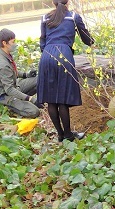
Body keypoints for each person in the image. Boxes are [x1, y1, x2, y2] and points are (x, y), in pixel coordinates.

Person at [37, 0, 94, 142]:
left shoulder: (45, 18)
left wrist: (49, 53)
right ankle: (68, 135)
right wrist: (92, 43)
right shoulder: (73, 17)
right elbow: (86, 38)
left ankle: (60, 135)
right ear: (67, 1)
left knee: (51, 99)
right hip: (64, 54)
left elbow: (42, 42)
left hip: (47, 55)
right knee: (62, 98)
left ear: (53, 2)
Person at [0, 28, 40, 118]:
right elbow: (9, 90)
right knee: (34, 112)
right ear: (4, 43)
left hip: (15, 86)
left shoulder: (5, 53)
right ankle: (11, 108)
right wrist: (29, 98)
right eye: (13, 42)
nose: (15, 44)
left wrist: (26, 75)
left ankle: (23, 100)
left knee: (39, 80)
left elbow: (12, 72)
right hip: (6, 95)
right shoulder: (3, 64)